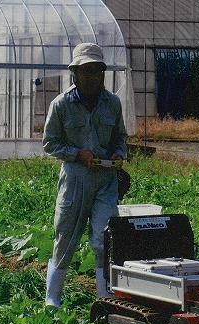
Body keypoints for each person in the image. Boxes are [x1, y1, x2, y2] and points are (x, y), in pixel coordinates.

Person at [43, 42, 127, 307]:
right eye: (87, 71)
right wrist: (78, 153)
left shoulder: (112, 103)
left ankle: (104, 298)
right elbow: (50, 143)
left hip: (105, 181)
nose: (93, 77)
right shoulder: (61, 105)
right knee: (65, 237)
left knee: (105, 240)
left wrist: (118, 154)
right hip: (75, 179)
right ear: (75, 73)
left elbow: (120, 138)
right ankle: (52, 299)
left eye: (98, 71)